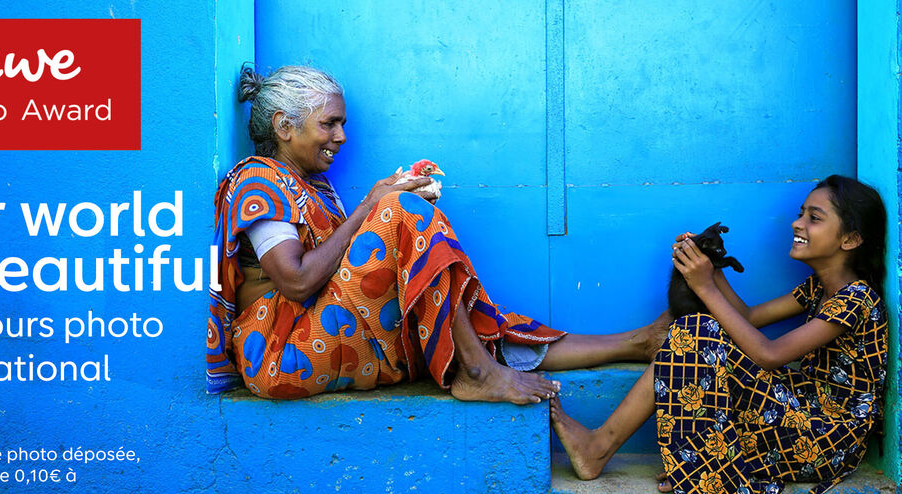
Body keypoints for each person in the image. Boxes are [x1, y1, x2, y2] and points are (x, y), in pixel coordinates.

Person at [207, 65, 664, 402]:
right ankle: (478, 371)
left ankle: (635, 342)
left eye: (342, 124)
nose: (342, 136)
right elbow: (298, 281)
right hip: (282, 351)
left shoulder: (315, 187)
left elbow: (342, 266)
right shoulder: (258, 180)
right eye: (330, 123)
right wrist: (377, 208)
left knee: (468, 318)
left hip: (336, 333)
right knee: (400, 214)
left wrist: (394, 217)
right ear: (284, 127)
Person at [550, 175, 888, 494]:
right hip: (803, 415)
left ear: (850, 239)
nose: (797, 223)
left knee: (697, 330)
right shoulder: (818, 288)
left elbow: (770, 354)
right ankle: (676, 461)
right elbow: (748, 318)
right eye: (800, 213)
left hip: (829, 440)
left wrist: (704, 286)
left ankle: (611, 450)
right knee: (694, 330)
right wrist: (710, 269)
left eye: (814, 218)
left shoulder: (857, 299)